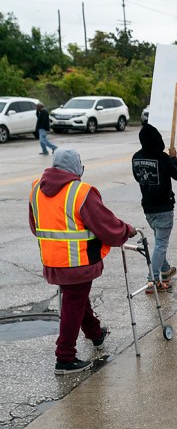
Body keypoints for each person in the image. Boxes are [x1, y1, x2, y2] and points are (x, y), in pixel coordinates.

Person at [29, 149, 136, 374]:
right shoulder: (80, 192)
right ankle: (65, 357)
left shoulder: (37, 188)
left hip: (52, 259)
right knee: (73, 302)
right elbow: (106, 225)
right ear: (77, 168)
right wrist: (127, 230)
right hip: (78, 262)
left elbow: (35, 225)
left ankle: (95, 334)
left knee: (76, 298)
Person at [132, 124, 177, 293]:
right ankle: (152, 280)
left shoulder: (136, 157)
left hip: (148, 207)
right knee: (160, 244)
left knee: (159, 241)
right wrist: (174, 158)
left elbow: (137, 177)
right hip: (163, 207)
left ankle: (165, 269)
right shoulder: (162, 158)